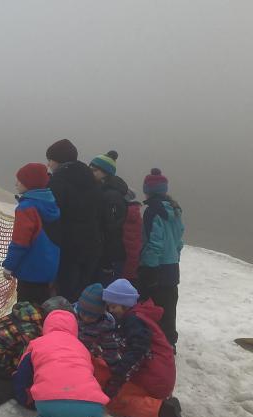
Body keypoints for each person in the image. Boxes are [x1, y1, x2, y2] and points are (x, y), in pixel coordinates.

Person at [13, 309, 115, 417]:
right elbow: (92, 374)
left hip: (49, 402)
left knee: (48, 416)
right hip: (88, 402)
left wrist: (24, 399)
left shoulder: (36, 344)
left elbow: (22, 376)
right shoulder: (82, 347)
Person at [99, 279, 185, 417]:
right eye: (108, 306)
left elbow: (137, 351)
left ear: (125, 305)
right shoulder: (135, 316)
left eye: (113, 306)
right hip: (158, 376)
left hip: (155, 379)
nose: (110, 310)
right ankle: (161, 402)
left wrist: (118, 377)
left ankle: (163, 412)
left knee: (113, 399)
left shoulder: (134, 321)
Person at [45, 139, 103, 301]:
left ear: (59, 160)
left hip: (67, 246)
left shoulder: (58, 181)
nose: (48, 164)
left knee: (65, 294)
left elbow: (53, 214)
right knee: (82, 294)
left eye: (50, 160)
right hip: (91, 244)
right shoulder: (90, 179)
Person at [1, 163, 60, 305]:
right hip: (49, 268)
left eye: (20, 180)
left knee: (26, 312)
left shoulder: (26, 207)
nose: (16, 184)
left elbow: (20, 242)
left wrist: (9, 266)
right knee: (42, 309)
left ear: (30, 183)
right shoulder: (51, 204)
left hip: (30, 271)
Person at [139, 169, 184, 346]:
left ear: (147, 190)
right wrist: (175, 258)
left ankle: (157, 346)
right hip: (172, 266)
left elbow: (154, 243)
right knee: (169, 307)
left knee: (154, 308)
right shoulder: (175, 209)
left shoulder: (152, 211)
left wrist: (149, 267)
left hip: (156, 267)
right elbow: (179, 240)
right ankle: (170, 342)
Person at [89, 151, 132, 284]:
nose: (91, 173)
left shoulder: (112, 195)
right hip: (102, 253)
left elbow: (112, 229)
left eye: (95, 170)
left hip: (110, 256)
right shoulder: (101, 191)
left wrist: (106, 258)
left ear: (106, 173)